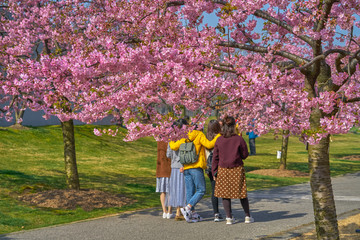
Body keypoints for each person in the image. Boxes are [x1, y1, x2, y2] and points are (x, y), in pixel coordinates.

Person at [169, 120, 220, 223]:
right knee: (201, 190)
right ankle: (187, 208)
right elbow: (209, 145)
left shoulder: (184, 136)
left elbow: (173, 146)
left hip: (186, 167)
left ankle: (192, 214)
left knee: (190, 192)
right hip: (196, 166)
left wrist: (170, 138)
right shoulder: (199, 135)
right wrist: (218, 136)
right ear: (198, 127)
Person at [212, 116, 254, 225]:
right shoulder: (239, 139)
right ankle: (247, 216)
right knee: (241, 193)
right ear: (234, 126)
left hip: (223, 169)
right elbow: (245, 155)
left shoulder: (219, 139)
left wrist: (214, 171)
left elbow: (215, 157)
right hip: (237, 168)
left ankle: (229, 218)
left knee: (225, 194)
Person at [166, 120, 187, 221]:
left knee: (175, 190)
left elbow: (168, 154)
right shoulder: (185, 138)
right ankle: (180, 211)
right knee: (182, 189)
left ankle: (177, 211)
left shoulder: (171, 140)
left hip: (174, 167)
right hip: (183, 166)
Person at [204, 119, 223, 222]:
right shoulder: (219, 137)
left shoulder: (206, 138)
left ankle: (216, 212)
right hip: (219, 165)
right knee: (224, 189)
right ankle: (228, 212)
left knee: (214, 190)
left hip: (209, 166)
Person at [156, 141, 173, 219]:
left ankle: (164, 211)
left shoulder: (159, 140)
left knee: (163, 191)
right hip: (169, 168)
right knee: (170, 191)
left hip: (160, 169)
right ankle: (169, 211)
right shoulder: (170, 140)